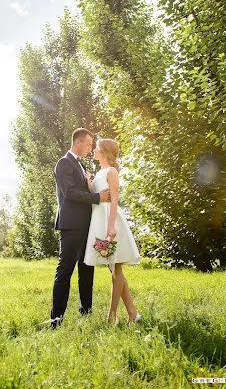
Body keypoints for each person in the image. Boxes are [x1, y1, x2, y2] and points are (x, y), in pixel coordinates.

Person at [50, 128, 110, 328]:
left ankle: (87, 313)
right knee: (65, 270)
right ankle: (56, 319)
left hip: (87, 225)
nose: (90, 148)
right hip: (72, 225)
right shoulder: (64, 163)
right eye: (88, 144)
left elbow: (82, 189)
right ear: (78, 142)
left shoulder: (81, 165)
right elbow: (69, 193)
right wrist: (97, 197)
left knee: (87, 269)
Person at [84, 138, 140, 324]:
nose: (93, 151)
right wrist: (88, 182)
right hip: (99, 220)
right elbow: (95, 194)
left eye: (96, 148)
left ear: (104, 151)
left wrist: (111, 227)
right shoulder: (100, 172)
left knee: (115, 267)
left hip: (110, 221)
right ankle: (132, 313)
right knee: (114, 267)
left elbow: (114, 199)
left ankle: (112, 315)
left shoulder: (111, 171)